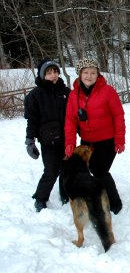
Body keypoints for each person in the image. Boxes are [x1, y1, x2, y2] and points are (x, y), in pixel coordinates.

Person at [64, 58, 125, 215]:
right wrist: (70, 143)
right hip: (86, 140)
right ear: (80, 74)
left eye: (93, 72)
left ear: (98, 74)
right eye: (86, 72)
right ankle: (100, 195)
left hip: (107, 139)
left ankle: (115, 202)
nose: (89, 76)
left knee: (100, 170)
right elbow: (70, 120)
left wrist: (119, 139)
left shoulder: (108, 91)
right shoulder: (73, 95)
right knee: (91, 169)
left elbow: (118, 115)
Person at [24, 58, 71, 212]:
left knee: (66, 169)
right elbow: (32, 120)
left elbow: (75, 114)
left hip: (66, 138)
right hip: (47, 141)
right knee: (51, 170)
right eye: (49, 72)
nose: (53, 75)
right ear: (42, 75)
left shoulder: (66, 92)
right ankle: (40, 198)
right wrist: (30, 140)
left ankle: (65, 194)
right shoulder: (34, 96)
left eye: (55, 71)